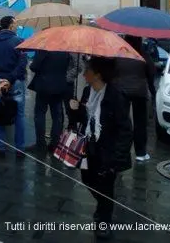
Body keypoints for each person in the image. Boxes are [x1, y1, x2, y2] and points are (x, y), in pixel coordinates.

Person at [70, 57, 133, 240]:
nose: (83, 74)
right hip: (87, 146)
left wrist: (117, 158)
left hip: (107, 150)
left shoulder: (115, 95)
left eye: (87, 70)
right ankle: (104, 205)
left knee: (105, 186)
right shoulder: (87, 91)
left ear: (98, 74)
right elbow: (81, 119)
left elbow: (125, 129)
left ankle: (104, 221)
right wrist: (74, 109)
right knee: (87, 178)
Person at [0, 16, 28, 158]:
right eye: (15, 24)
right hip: (15, 83)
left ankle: (0, 147)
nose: (16, 27)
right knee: (19, 115)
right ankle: (20, 148)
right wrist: (9, 80)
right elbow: (22, 65)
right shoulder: (19, 42)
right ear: (10, 26)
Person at [113, 35, 156, 161]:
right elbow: (151, 72)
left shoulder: (120, 53)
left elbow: (113, 70)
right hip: (139, 92)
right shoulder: (143, 54)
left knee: (121, 121)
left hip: (121, 91)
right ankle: (140, 153)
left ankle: (120, 150)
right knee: (140, 123)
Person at [29, 50, 70, 152]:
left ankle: (40, 143)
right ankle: (55, 143)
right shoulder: (65, 49)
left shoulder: (44, 48)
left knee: (40, 114)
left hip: (43, 86)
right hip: (59, 86)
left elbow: (34, 67)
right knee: (57, 115)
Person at [64, 53, 84, 130]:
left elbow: (79, 66)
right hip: (58, 82)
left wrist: (67, 76)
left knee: (69, 108)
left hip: (68, 83)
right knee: (58, 110)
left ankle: (72, 130)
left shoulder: (74, 50)